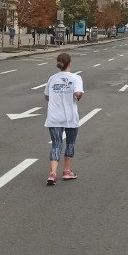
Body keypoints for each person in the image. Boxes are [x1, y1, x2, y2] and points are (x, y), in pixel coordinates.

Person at [44, 53, 84, 186]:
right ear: (69, 63)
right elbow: (78, 93)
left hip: (54, 117)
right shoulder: (76, 78)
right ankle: (67, 171)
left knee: (56, 144)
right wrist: (77, 96)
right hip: (70, 117)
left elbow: (47, 96)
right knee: (70, 143)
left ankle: (52, 173)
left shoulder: (52, 78)